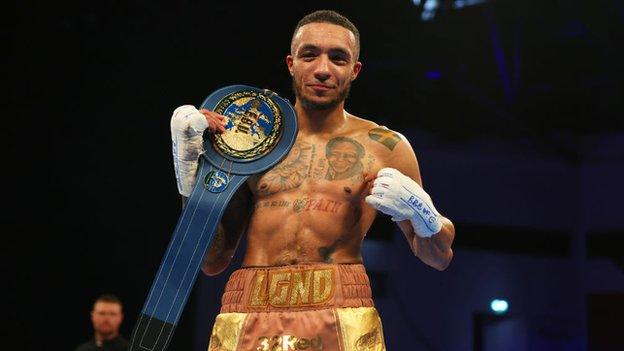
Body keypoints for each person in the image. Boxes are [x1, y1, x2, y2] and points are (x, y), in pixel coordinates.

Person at [170, 9, 455, 351]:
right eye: (310, 55)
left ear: (355, 70)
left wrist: (423, 214)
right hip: (248, 308)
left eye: (338, 58)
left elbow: (438, 257)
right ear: (291, 63)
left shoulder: (385, 146)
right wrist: (189, 175)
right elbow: (212, 261)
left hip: (340, 308)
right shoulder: (250, 140)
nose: (322, 69)